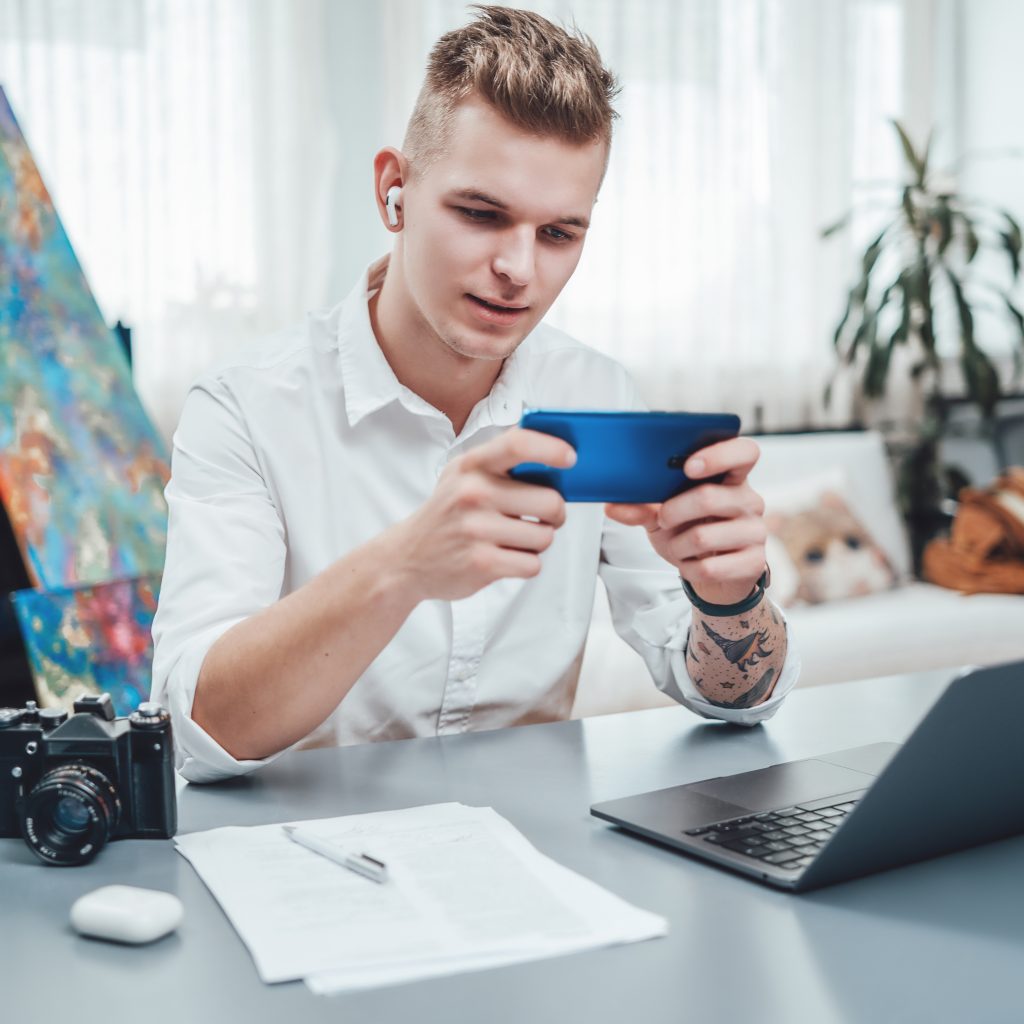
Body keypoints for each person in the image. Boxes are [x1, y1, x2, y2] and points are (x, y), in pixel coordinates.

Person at [151, 5, 798, 784]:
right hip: (305, 860)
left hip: (537, 851)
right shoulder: (242, 409)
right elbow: (196, 729)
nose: (520, 269)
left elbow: (731, 699)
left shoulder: (598, 391)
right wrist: (403, 567)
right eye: (481, 214)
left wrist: (729, 602)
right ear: (395, 189)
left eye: (559, 233)